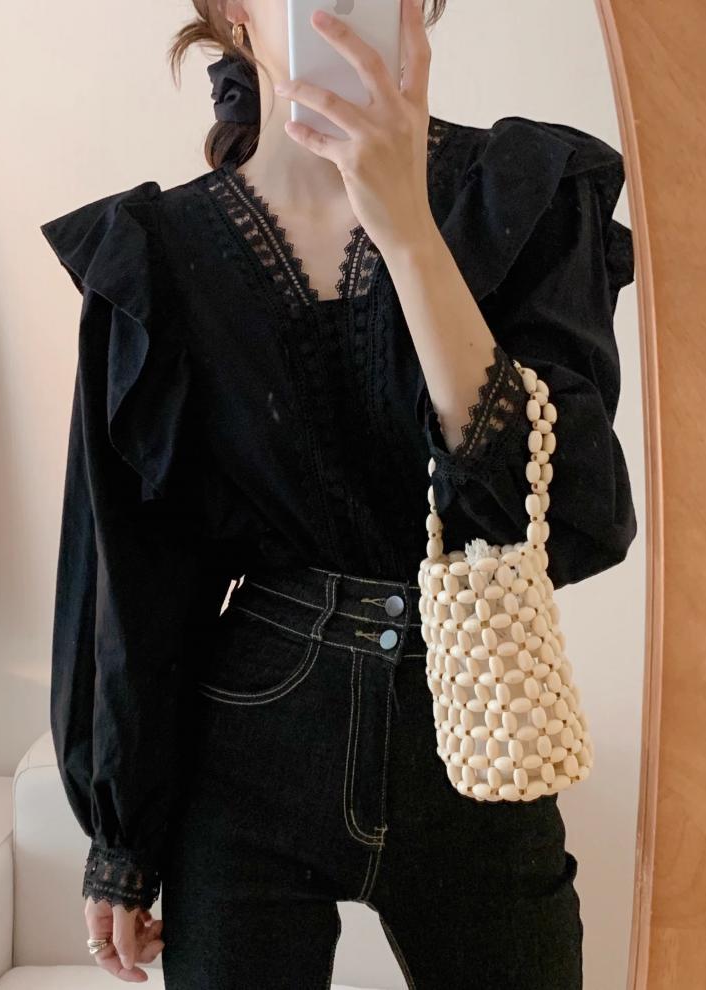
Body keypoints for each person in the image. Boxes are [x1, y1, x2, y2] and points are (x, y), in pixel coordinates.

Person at [39, 1, 637, 986]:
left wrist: (409, 233)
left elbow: (573, 514)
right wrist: (121, 840)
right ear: (233, 14)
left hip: (481, 725)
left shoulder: (523, 195)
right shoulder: (155, 253)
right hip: (248, 739)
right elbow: (131, 576)